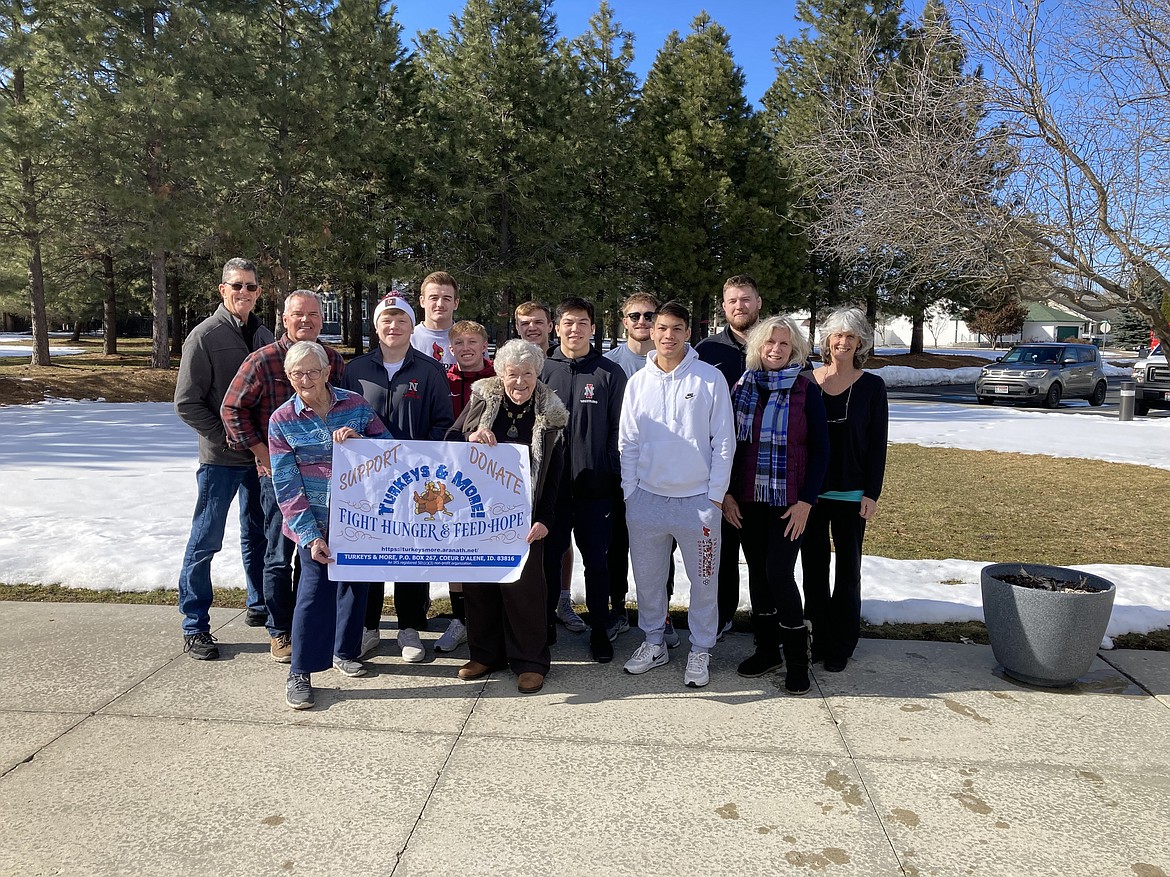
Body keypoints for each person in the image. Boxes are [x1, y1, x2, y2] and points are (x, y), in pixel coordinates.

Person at [220, 290, 345, 664]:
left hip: (327, 482)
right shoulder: (262, 360)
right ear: (284, 319)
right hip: (279, 478)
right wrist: (264, 454)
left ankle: (313, 625)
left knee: (318, 554)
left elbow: (344, 406)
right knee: (278, 554)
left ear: (321, 320)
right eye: (297, 315)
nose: (305, 321)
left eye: (312, 315)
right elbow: (232, 410)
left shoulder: (332, 359)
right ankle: (280, 629)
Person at [269, 341, 391, 710]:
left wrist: (362, 441)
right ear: (288, 377)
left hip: (359, 517)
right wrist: (309, 535)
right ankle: (300, 671)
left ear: (326, 373)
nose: (304, 379)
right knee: (312, 593)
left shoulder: (354, 404)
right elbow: (286, 485)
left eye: (312, 372)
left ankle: (345, 651)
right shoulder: (282, 420)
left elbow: (388, 448)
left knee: (356, 584)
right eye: (296, 374)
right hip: (315, 521)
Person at [619, 302, 735, 689]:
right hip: (647, 500)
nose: (668, 335)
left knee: (704, 581)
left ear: (689, 332)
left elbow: (723, 441)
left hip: (698, 502)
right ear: (651, 331)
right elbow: (628, 441)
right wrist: (630, 492)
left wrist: (715, 496)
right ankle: (654, 642)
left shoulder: (708, 379)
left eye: (677, 328)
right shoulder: (638, 382)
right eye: (662, 327)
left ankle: (701, 648)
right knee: (649, 580)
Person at [447, 340, 567, 694]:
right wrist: (471, 436)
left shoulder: (552, 413)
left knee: (524, 590)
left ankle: (530, 661)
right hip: (477, 512)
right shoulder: (482, 400)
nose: (519, 382)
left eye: (527, 374)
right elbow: (449, 442)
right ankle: (486, 654)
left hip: (523, 516)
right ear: (500, 373)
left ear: (537, 374)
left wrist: (545, 518)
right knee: (480, 585)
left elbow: (557, 472)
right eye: (512, 374)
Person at [343, 294, 455, 663]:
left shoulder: (428, 370)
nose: (394, 327)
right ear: (376, 326)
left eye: (401, 321)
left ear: (412, 326)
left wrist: (423, 460)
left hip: (415, 480)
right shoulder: (355, 369)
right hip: (368, 480)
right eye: (386, 321)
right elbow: (342, 418)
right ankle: (369, 627)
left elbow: (443, 424)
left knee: (411, 550)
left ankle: (409, 627)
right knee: (372, 549)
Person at [173, 258, 274, 660]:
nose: (244, 293)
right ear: (222, 290)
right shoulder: (204, 336)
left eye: (250, 287)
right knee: (205, 540)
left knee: (258, 535)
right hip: (220, 460)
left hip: (260, 459)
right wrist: (228, 439)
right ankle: (195, 624)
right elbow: (187, 404)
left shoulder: (265, 334)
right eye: (237, 286)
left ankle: (258, 603)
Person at [722, 316, 829, 695]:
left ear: (794, 349)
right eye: (769, 343)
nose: (775, 350)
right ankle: (767, 650)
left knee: (779, 573)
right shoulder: (742, 387)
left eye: (784, 344)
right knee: (758, 574)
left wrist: (806, 503)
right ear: (758, 347)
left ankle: (797, 660)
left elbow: (821, 451)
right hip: (747, 500)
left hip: (789, 502)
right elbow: (727, 447)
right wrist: (727, 494)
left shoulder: (806, 389)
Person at [801, 307, 889, 673]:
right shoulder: (806, 381)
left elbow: (878, 443)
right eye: (837, 335)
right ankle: (817, 638)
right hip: (810, 495)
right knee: (814, 568)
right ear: (827, 340)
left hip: (852, 493)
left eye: (850, 337)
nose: (843, 342)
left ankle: (842, 642)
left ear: (860, 343)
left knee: (848, 570)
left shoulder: (872, 387)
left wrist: (872, 492)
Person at [540, 297, 626, 663]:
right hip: (552, 490)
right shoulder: (542, 370)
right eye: (568, 322)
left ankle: (600, 630)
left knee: (597, 563)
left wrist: (608, 469)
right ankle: (543, 628)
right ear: (556, 328)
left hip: (595, 490)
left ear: (593, 327)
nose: (574, 329)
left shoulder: (608, 373)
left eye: (582, 322)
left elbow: (620, 431)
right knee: (546, 560)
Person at [603, 292, 679, 648]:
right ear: (624, 320)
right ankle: (618, 608)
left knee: (663, 548)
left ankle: (662, 615)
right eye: (635, 316)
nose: (643, 322)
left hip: (662, 473)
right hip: (619, 471)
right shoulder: (610, 363)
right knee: (616, 545)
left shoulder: (673, 361)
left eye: (650, 316)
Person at [696, 274, 764, 642]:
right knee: (720, 554)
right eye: (733, 300)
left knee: (762, 555)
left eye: (746, 299)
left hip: (765, 470)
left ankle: (764, 619)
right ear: (724, 307)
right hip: (718, 470)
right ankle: (721, 616)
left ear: (759, 303)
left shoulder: (776, 344)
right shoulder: (707, 351)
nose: (740, 306)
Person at [437, 320, 497, 654]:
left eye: (472, 341)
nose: (465, 348)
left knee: (487, 547)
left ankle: (489, 617)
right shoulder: (442, 379)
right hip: (450, 477)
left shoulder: (498, 380)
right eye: (458, 343)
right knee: (454, 551)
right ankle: (461, 619)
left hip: (490, 478)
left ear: (484, 345)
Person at [411, 271, 459, 365]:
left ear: (455, 303)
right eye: (434, 298)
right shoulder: (409, 339)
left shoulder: (471, 339)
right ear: (422, 301)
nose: (440, 304)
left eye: (446, 299)